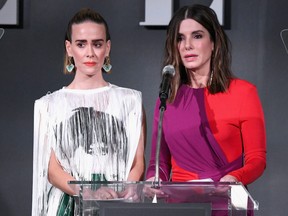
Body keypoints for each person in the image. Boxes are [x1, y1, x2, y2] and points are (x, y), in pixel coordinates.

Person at [146, 4, 266, 212]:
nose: (187, 45)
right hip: (181, 209)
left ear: (213, 43)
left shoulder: (243, 92)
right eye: (180, 38)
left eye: (197, 36)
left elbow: (257, 159)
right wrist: (151, 181)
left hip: (226, 203)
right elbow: (159, 163)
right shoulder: (167, 100)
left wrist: (234, 178)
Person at [32, 8, 146, 216]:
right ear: (69, 48)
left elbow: (138, 162)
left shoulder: (130, 101)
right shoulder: (48, 105)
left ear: (108, 47)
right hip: (66, 207)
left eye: (97, 44)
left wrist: (122, 192)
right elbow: (51, 170)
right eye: (81, 44)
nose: (90, 53)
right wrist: (86, 192)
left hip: (115, 204)